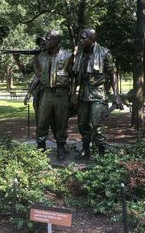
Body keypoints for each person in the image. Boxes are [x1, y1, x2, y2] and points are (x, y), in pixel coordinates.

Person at [72, 28, 123, 159]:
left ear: (92, 39)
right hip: (83, 94)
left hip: (98, 95)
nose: (81, 40)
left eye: (84, 38)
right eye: (81, 38)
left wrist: (116, 96)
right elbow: (75, 75)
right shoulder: (80, 54)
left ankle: (101, 154)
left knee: (97, 125)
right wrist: (73, 93)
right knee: (82, 123)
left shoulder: (105, 53)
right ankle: (86, 151)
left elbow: (113, 75)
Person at [33, 30, 73, 160]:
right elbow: (38, 74)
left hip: (62, 94)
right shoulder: (41, 56)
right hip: (46, 93)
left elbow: (74, 76)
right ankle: (40, 147)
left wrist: (74, 94)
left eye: (49, 39)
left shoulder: (68, 55)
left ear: (57, 41)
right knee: (42, 120)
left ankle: (61, 147)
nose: (46, 41)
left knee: (61, 121)